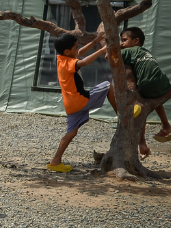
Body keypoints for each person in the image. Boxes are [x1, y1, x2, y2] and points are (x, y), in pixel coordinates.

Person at [48, 32, 117, 172]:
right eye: (75, 48)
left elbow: (80, 53)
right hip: (81, 100)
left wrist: (95, 41)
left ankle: (55, 161)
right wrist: (102, 50)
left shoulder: (62, 59)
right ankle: (121, 113)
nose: (77, 50)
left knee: (71, 133)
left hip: (71, 105)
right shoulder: (70, 62)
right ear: (67, 51)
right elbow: (84, 62)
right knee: (107, 86)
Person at [120, 27, 171, 158]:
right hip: (163, 82)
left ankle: (142, 142)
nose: (122, 44)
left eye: (124, 40)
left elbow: (111, 57)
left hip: (146, 84)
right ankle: (166, 125)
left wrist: (110, 49)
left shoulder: (131, 50)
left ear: (136, 41)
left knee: (142, 108)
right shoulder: (145, 52)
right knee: (153, 101)